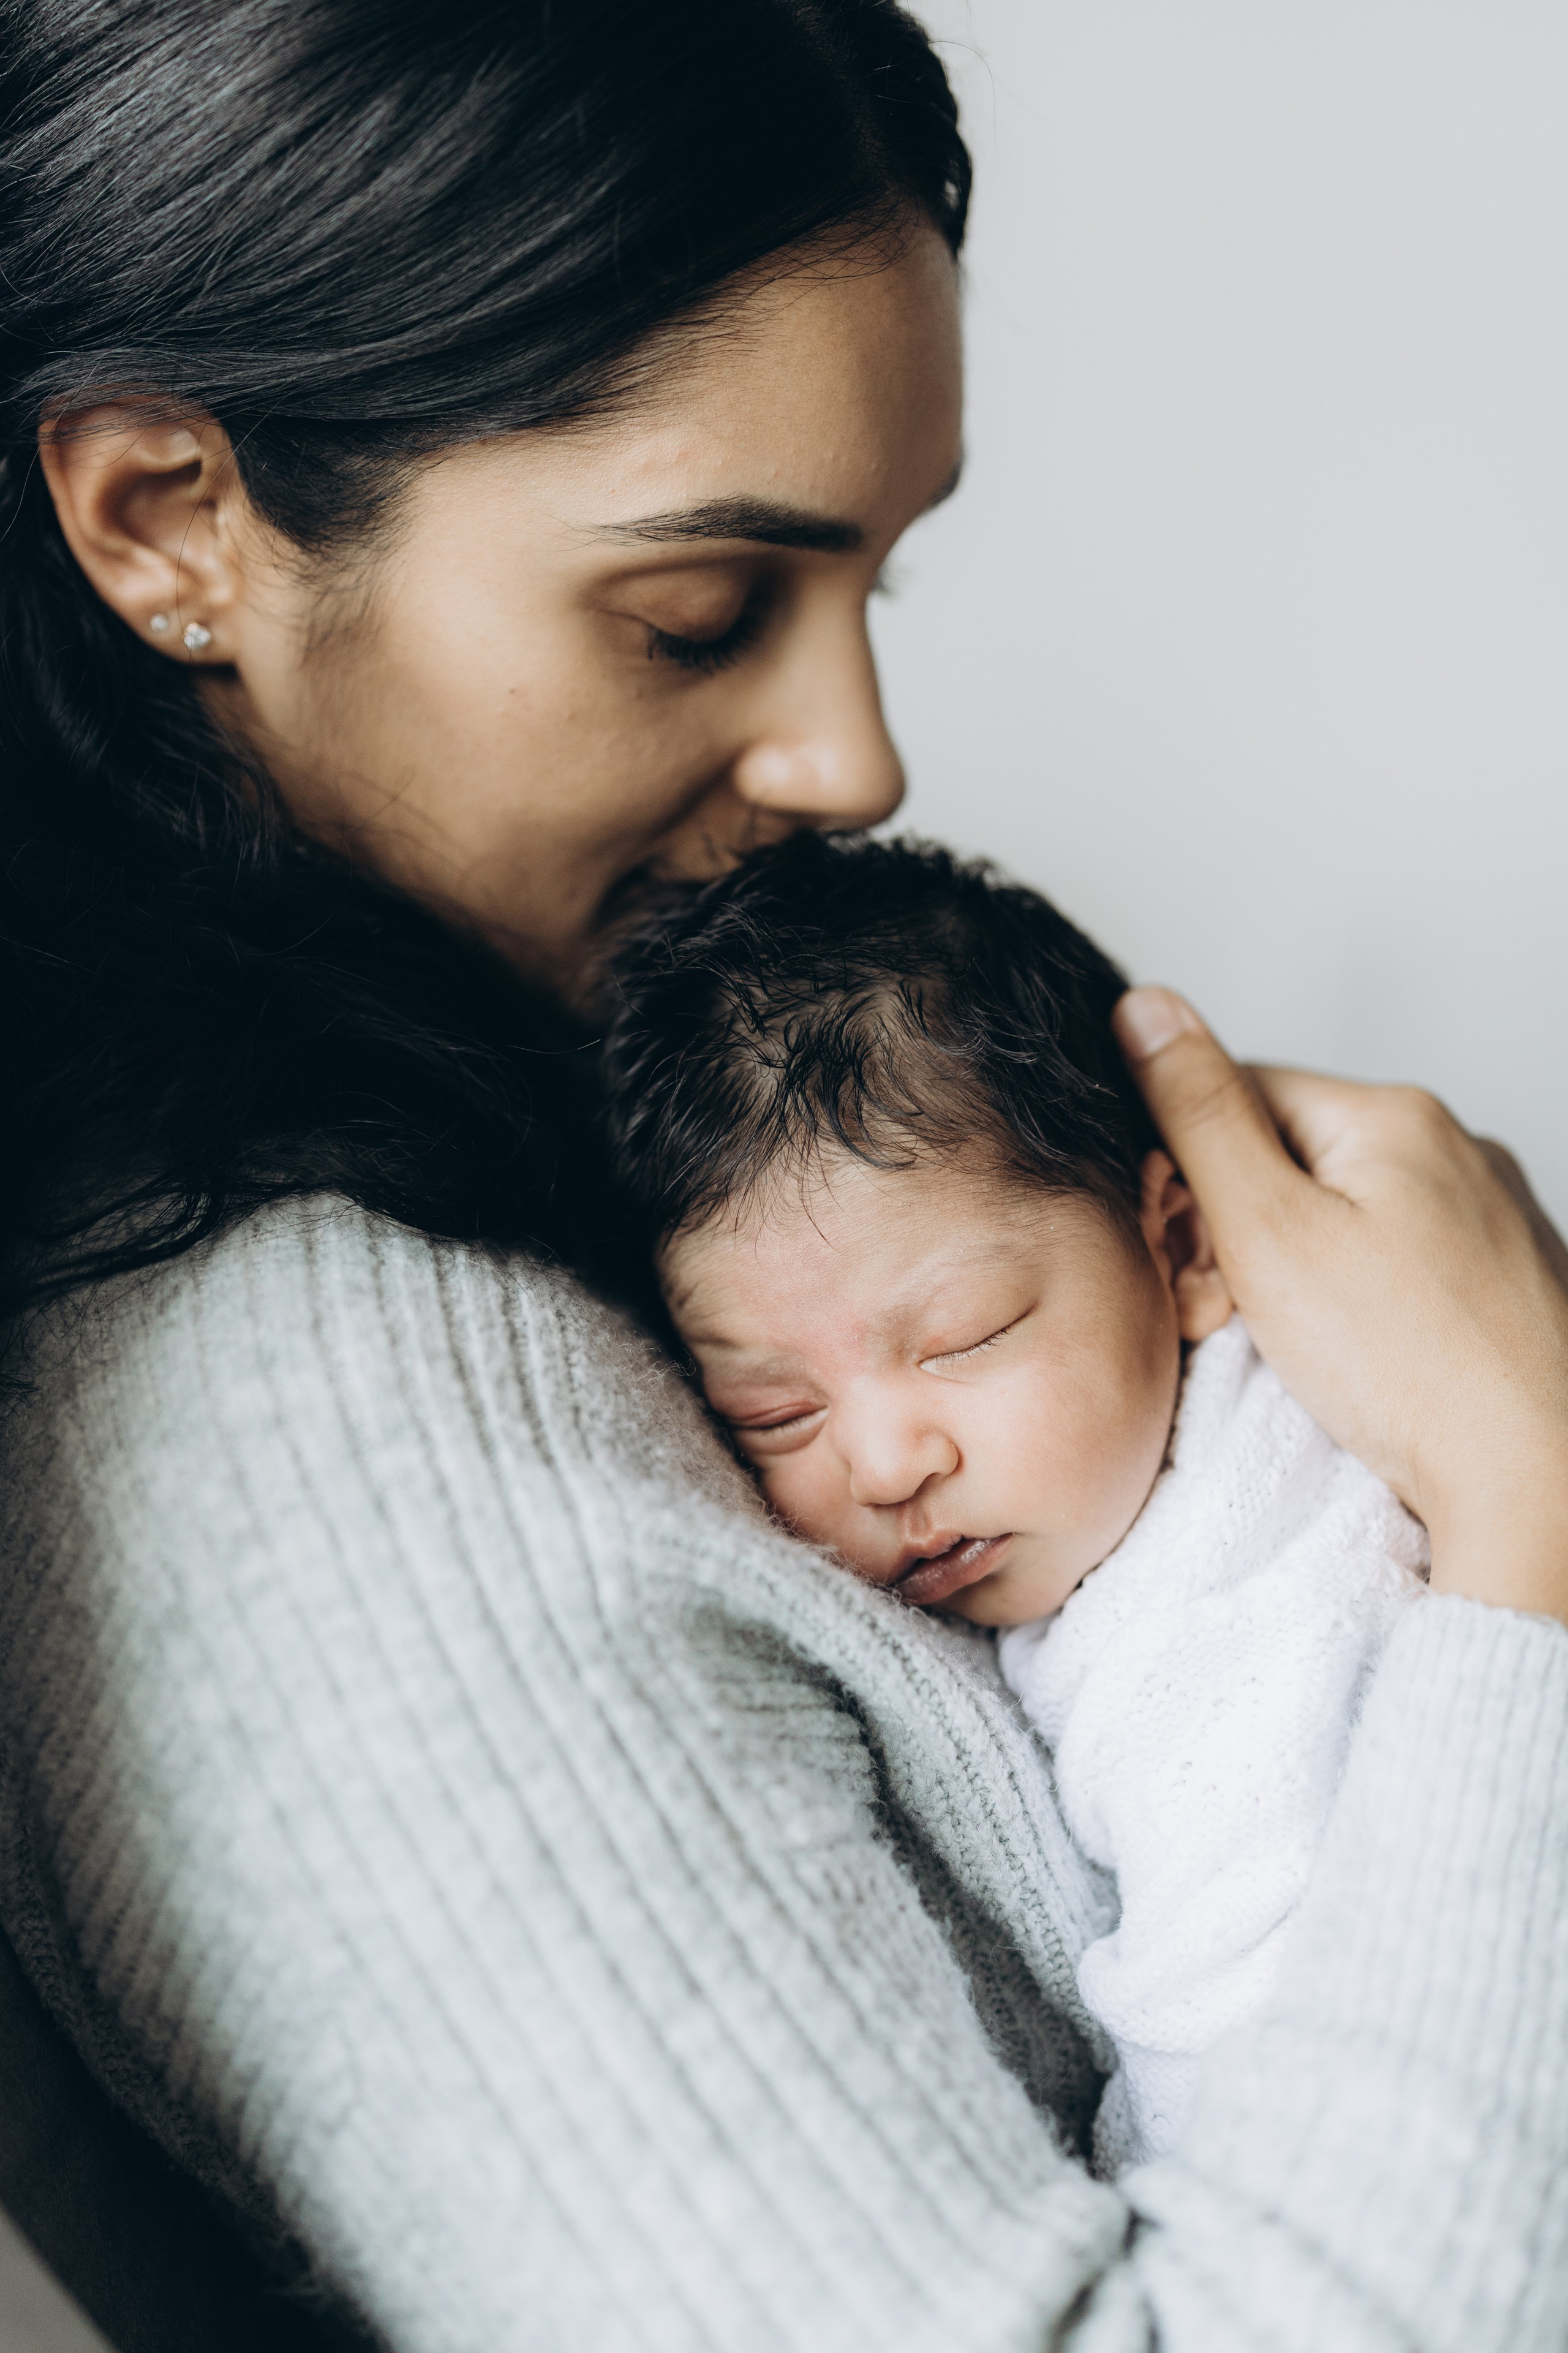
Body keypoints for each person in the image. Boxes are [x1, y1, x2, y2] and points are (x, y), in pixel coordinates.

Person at [2, 3, 1567, 2349]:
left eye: (876, 594)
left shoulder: (563, 1157)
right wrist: (1529, 1512)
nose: (855, 755)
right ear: (167, 521)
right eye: (699, 611)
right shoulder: (323, 1445)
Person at [601, 829, 1431, 2175]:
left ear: (1182, 1245)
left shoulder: (1253, 1589)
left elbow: (1258, 2073)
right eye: (774, 1413)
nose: (882, 1465)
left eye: (963, 1335)